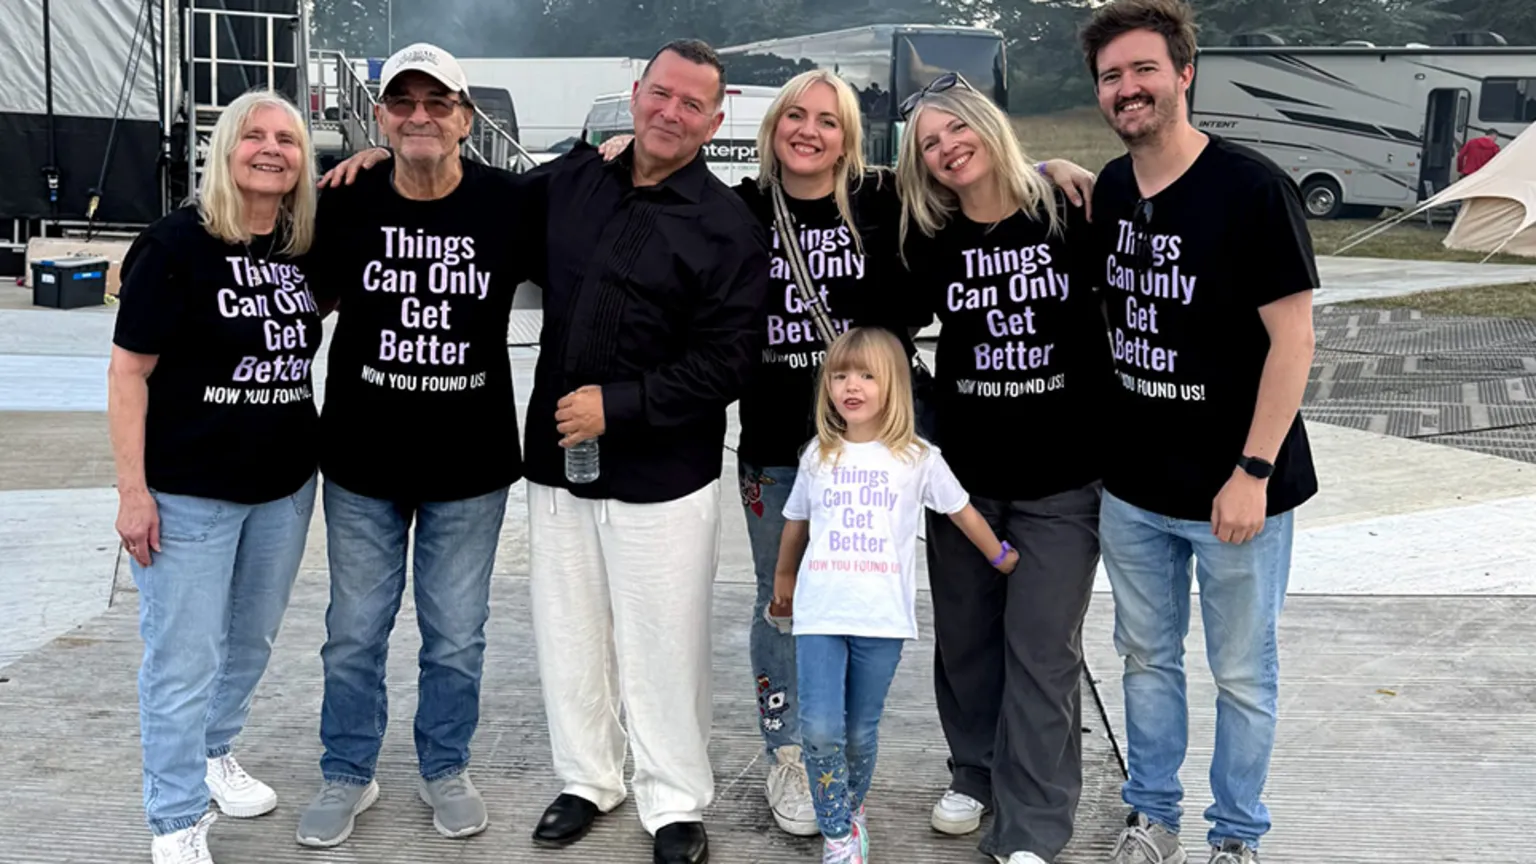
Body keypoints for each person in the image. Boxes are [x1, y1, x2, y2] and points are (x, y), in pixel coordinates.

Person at [595, 69, 1098, 839]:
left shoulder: (884, 201)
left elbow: (972, 181)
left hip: (881, 450)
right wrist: (627, 152)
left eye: (828, 120)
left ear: (849, 139)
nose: (809, 130)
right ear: (771, 127)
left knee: (883, 602)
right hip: (779, 447)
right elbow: (658, 201)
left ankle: (872, 754)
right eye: (795, 115)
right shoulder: (735, 208)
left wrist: (1042, 167)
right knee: (783, 599)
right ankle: (792, 753)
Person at [519, 39, 769, 864]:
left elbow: (729, 362)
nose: (671, 112)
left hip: (664, 476)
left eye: (692, 104)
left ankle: (674, 800)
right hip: (558, 460)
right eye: (661, 94)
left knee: (664, 644)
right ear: (635, 94)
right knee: (570, 632)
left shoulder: (728, 226)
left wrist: (617, 407)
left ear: (715, 122)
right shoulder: (572, 181)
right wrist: (385, 159)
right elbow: (471, 204)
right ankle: (589, 778)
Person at [1080, 2, 1319, 863]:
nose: (1128, 88)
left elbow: (1294, 339)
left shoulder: (1252, 189)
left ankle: (1237, 836)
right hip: (1135, 489)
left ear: (1185, 73)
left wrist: (1253, 470)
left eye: (1144, 68)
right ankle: (1153, 817)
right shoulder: (1111, 189)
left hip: (1236, 492)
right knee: (1146, 661)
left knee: (1243, 674)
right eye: (1111, 76)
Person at [294, 43, 537, 848]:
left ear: (467, 119)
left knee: (456, 636)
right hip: (362, 463)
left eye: (439, 103)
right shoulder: (346, 199)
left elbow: (596, 215)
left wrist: (613, 150)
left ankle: (445, 766)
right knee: (354, 633)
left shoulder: (510, 203)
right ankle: (347, 771)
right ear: (381, 118)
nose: (420, 115)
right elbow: (294, 296)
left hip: (471, 467)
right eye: (403, 103)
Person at [894, 74, 1114, 864]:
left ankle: (1035, 824)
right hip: (965, 483)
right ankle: (975, 771)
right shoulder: (929, 235)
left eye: (958, 129)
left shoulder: (1067, 210)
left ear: (990, 126)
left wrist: (1053, 166)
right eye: (929, 143)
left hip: (1063, 479)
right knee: (966, 640)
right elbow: (885, 324)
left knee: (1043, 651)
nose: (948, 148)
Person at [108, 89, 321, 864]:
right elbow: (128, 373)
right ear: (225, 149)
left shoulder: (298, 245)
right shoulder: (174, 246)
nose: (271, 150)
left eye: (287, 140)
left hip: (284, 488)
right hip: (188, 493)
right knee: (182, 659)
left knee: (250, 643)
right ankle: (173, 817)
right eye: (254, 136)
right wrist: (133, 493)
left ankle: (211, 752)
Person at [770, 326, 1020, 864]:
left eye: (867, 375)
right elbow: (795, 521)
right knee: (820, 728)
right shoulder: (818, 455)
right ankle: (838, 832)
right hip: (819, 614)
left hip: (881, 619)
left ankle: (851, 805)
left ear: (895, 385)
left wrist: (999, 555)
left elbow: (961, 510)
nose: (851, 386)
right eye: (840, 375)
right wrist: (783, 578)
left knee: (860, 731)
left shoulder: (917, 457)